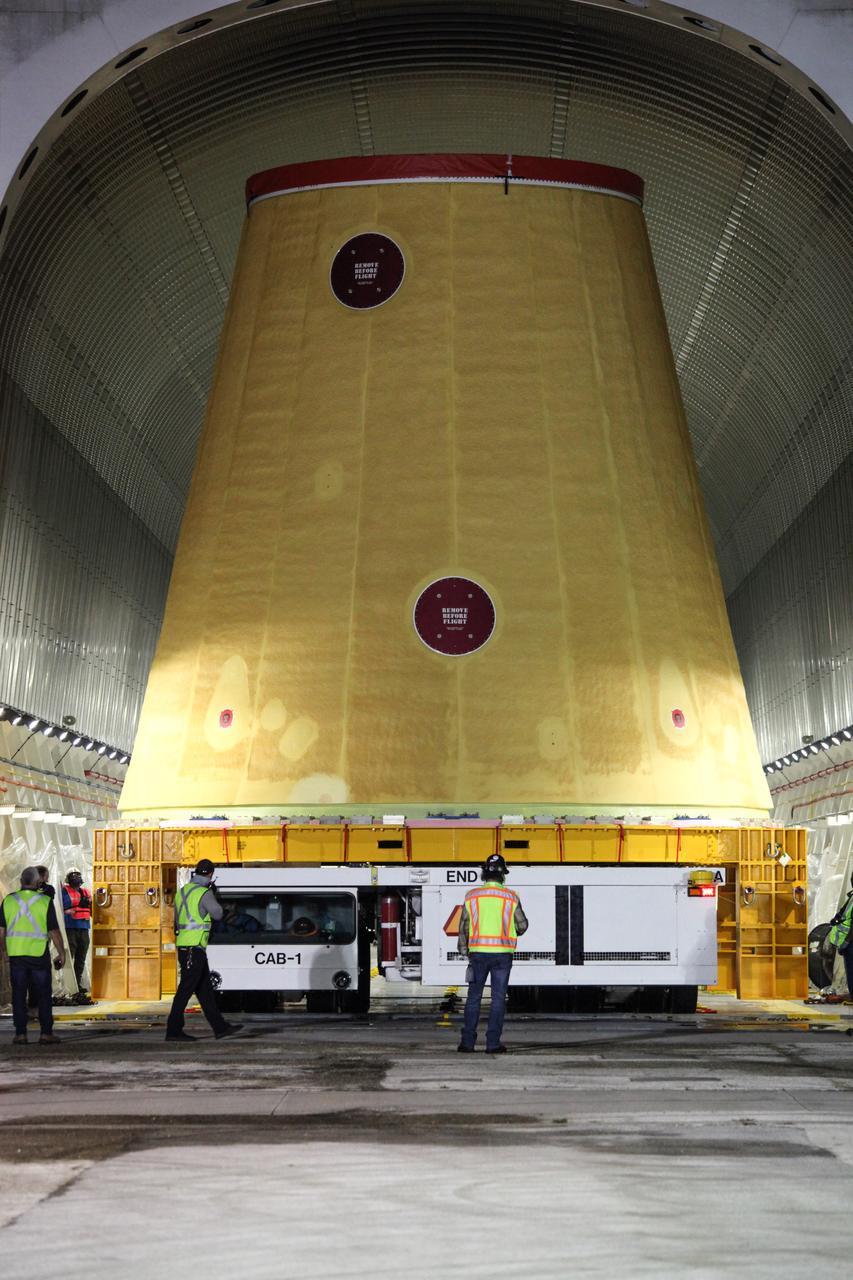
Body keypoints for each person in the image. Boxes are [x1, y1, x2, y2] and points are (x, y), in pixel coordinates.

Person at [165, 859, 243, 1042]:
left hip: (186, 946)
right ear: (210, 874)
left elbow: (177, 920)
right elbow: (217, 914)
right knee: (185, 990)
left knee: (205, 989)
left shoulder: (182, 892)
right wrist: (214, 895)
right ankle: (173, 1030)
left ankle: (220, 1027)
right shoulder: (204, 893)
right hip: (195, 947)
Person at [457, 854, 528, 1055]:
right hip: (502, 955)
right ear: (503, 875)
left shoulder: (471, 896)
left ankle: (467, 1044)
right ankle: (493, 1044)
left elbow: (464, 926)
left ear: (484, 873)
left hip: (478, 954)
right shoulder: (511, 896)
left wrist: (464, 949)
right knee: (498, 999)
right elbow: (522, 925)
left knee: (473, 998)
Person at [0, 865, 66, 1044]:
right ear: (38, 882)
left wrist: (4, 952)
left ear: (21, 881)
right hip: (38, 955)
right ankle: (46, 1033)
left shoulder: (8, 900)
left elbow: (1, 931)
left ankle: (20, 1034)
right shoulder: (45, 901)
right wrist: (61, 953)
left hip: (16, 955)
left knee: (18, 994)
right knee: (44, 994)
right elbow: (54, 931)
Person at [61, 868, 94, 1004]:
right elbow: (63, 908)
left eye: (78, 875)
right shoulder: (64, 891)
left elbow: (91, 908)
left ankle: (77, 985)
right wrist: (73, 908)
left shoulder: (85, 891)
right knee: (71, 956)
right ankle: (69, 986)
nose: (77, 878)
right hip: (71, 928)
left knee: (80, 958)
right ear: (68, 878)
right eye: (73, 876)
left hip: (84, 928)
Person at [829, 871, 853, 998]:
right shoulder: (852, 896)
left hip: (850, 943)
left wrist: (846, 942)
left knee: (851, 970)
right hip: (848, 943)